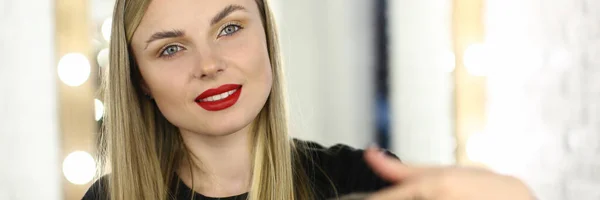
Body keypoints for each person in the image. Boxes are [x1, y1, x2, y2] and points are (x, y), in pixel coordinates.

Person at [83, 0, 535, 199]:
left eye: (229, 28)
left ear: (266, 36)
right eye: (171, 48)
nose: (209, 64)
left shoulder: (360, 183)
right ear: (138, 78)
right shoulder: (109, 199)